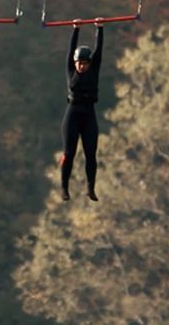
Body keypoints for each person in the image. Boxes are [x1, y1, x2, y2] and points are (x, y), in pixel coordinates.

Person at [59, 22, 103, 202]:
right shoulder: (71, 70)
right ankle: (64, 188)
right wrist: (75, 29)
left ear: (89, 63)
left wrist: (99, 28)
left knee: (91, 153)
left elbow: (99, 50)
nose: (81, 66)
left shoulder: (94, 71)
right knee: (69, 153)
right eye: (79, 63)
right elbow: (70, 50)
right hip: (73, 114)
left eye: (84, 63)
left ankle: (90, 188)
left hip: (89, 114)